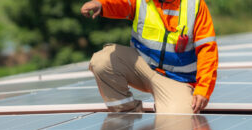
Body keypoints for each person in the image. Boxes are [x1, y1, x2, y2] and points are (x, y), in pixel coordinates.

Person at [81, 0, 218, 114]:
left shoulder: (195, 5)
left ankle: (165, 106)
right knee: (102, 61)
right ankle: (126, 116)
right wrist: (101, 4)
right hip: (142, 68)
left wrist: (203, 88)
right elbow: (121, 3)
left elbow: (207, 50)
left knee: (180, 120)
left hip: (177, 80)